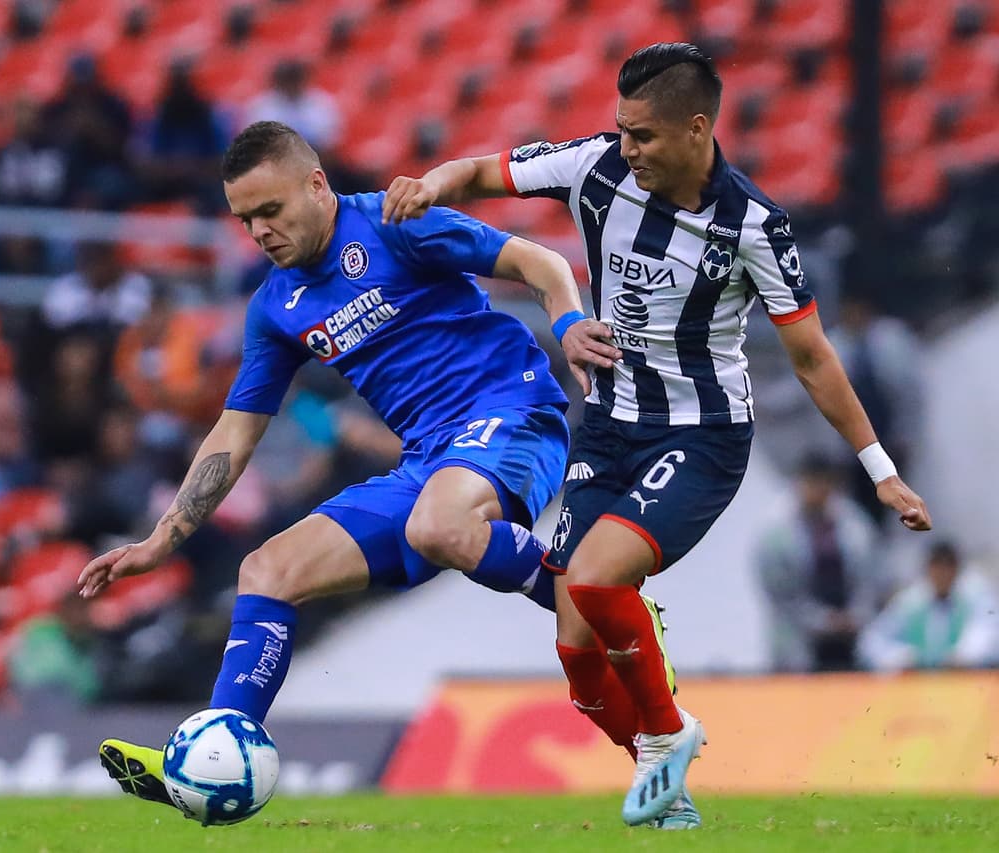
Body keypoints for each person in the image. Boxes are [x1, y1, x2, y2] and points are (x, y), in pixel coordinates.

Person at [383, 42, 933, 827]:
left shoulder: (754, 226)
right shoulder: (596, 168)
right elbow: (480, 172)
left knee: (602, 580)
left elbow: (812, 357)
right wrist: (431, 181)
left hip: (702, 435)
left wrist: (878, 468)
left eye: (641, 134)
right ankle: (670, 795)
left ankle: (670, 735)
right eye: (621, 129)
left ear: (696, 129)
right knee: (578, 659)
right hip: (609, 429)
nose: (626, 147)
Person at [77, 120, 622, 816]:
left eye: (270, 211)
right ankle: (214, 756)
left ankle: (600, 603)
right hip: (428, 461)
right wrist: (162, 538)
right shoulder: (276, 306)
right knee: (265, 571)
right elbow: (234, 432)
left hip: (513, 415)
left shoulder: (396, 223)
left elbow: (538, 261)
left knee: (439, 523)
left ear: (316, 185)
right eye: (245, 221)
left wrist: (571, 322)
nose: (260, 232)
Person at [754, 453, 882, 673]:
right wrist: (823, 621)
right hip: (797, 641)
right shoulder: (776, 534)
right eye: (812, 483)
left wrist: (856, 615)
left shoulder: (854, 526)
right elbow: (781, 596)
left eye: (824, 483)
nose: (818, 491)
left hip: (852, 636)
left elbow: (872, 576)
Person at [858, 541, 999, 672]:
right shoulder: (910, 602)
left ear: (958, 568)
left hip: (965, 685)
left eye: (948, 566)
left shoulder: (975, 597)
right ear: (928, 568)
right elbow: (871, 641)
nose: (943, 573)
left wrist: (965, 656)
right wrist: (900, 657)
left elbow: (987, 635)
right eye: (937, 566)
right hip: (916, 689)